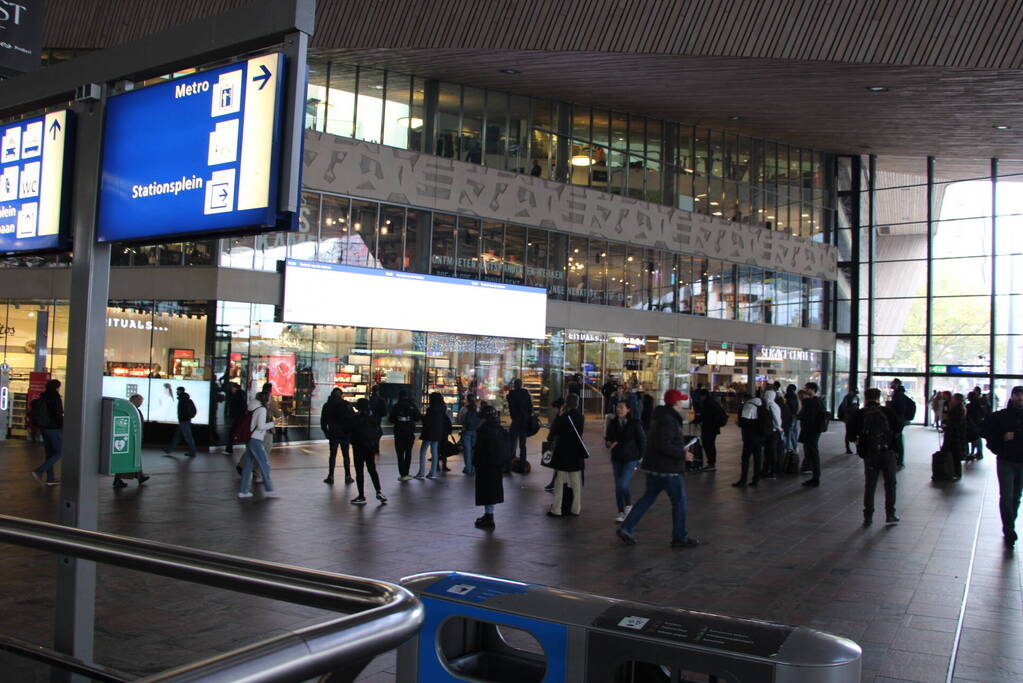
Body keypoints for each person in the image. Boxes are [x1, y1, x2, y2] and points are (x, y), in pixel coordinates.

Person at [616, 389, 700, 548]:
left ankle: (626, 528)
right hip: (668, 470)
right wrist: (682, 454)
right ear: (675, 403)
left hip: (655, 468)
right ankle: (679, 536)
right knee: (680, 502)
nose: (682, 404)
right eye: (680, 401)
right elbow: (664, 444)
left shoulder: (661, 416)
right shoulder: (669, 420)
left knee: (647, 499)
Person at [847, 387, 900, 526]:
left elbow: (851, 434)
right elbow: (898, 428)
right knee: (890, 484)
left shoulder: (860, 413)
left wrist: (860, 442)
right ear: (878, 397)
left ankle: (868, 516)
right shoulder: (887, 411)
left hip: (870, 454)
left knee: (870, 485)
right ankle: (890, 514)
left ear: (865, 397)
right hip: (887, 452)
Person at [980, 385, 1023, 549]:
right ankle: (1009, 528)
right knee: (1006, 496)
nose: (1020, 398)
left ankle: (1009, 522)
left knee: (1016, 496)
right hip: (1006, 461)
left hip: (1020, 461)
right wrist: (999, 443)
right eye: (1017, 395)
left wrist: (1016, 435)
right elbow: (984, 431)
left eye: (1022, 395)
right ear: (1012, 397)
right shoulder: (1001, 417)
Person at [546, 393, 586, 517]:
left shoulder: (562, 418)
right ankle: (576, 508)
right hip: (576, 453)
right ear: (577, 404)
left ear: (565, 405)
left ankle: (557, 509)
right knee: (575, 481)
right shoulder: (581, 418)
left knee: (559, 482)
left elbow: (551, 436)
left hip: (562, 454)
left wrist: (559, 416)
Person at [605, 399, 646, 522]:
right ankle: (621, 511)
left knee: (622, 484)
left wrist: (640, 457)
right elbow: (608, 438)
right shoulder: (612, 422)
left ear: (628, 410)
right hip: (617, 457)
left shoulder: (634, 423)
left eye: (621, 407)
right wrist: (609, 443)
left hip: (631, 458)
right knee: (619, 486)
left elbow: (642, 440)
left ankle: (628, 505)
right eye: (617, 407)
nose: (618, 409)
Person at [473, 403, 509, 529]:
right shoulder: (499, 429)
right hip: (497, 465)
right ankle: (489, 514)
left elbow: (480, 449)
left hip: (485, 466)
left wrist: (475, 463)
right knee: (492, 492)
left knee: (486, 492)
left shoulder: (484, 430)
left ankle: (489, 518)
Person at [237, 392, 278, 499]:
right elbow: (261, 426)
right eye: (270, 398)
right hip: (256, 439)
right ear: (266, 399)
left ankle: (243, 490)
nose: (271, 400)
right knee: (264, 463)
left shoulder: (253, 407)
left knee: (248, 465)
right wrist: (273, 423)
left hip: (250, 439)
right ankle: (269, 489)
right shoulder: (262, 409)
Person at [349, 398, 386, 505]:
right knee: (372, 470)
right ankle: (378, 491)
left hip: (358, 447)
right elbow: (379, 432)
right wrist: (374, 443)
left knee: (359, 471)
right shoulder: (373, 417)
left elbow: (348, 430)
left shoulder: (355, 418)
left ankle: (361, 495)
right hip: (369, 447)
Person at [30, 379, 64, 486]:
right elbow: (58, 414)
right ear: (56, 387)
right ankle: (39, 471)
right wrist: (62, 425)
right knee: (60, 452)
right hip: (53, 428)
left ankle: (50, 478)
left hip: (43, 428)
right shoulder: (56, 397)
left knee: (50, 453)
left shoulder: (44, 396)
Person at [114, 394, 151, 488]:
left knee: (133, 458)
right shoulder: (131, 411)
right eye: (140, 401)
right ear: (134, 400)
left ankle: (139, 476)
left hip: (132, 439)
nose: (141, 403)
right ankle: (118, 479)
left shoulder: (132, 410)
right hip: (130, 439)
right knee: (128, 459)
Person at [320, 388, 354, 485]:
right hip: (345, 433)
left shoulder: (327, 405)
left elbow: (323, 421)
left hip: (333, 433)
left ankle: (331, 476)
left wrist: (326, 432)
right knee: (346, 455)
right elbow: (352, 418)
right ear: (341, 395)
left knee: (332, 455)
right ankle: (348, 476)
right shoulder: (346, 404)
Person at [734, 394, 766, 487]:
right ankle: (756, 479)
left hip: (749, 437)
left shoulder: (747, 406)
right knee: (758, 458)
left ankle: (743, 480)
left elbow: (743, 422)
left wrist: (738, 422)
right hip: (759, 436)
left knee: (745, 458)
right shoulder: (760, 405)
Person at [798, 382, 827, 487]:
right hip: (815, 431)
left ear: (812, 389)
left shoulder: (813, 402)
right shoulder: (819, 401)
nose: (806, 390)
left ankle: (816, 477)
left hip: (811, 431)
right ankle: (814, 475)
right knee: (812, 452)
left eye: (807, 388)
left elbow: (807, 417)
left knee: (813, 453)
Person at [417, 392, 452, 479]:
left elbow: (427, 421)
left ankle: (421, 473)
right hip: (438, 432)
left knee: (423, 451)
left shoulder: (431, 409)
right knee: (435, 452)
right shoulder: (443, 408)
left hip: (429, 433)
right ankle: (433, 473)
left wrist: (422, 417)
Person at [389, 389, 421, 481]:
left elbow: (391, 419)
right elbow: (418, 417)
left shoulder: (396, 406)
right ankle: (406, 473)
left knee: (400, 454)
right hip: (409, 432)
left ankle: (402, 473)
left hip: (398, 432)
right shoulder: (412, 406)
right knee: (408, 452)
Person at [887, 379, 915, 469]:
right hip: (899, 421)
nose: (891, 384)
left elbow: (898, 411)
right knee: (896, 440)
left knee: (897, 441)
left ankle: (899, 461)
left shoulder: (898, 396)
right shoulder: (899, 395)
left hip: (897, 422)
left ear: (896, 385)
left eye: (893, 383)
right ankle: (897, 461)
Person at [695, 390, 726, 471]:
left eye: (700, 396)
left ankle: (711, 464)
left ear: (703, 396)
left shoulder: (707, 403)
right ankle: (712, 463)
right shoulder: (713, 402)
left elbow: (706, 416)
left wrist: (698, 420)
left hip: (709, 428)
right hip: (713, 428)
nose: (700, 398)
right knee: (711, 445)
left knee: (708, 445)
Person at [164, 386, 198, 457]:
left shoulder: (183, 400)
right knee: (178, 436)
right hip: (184, 421)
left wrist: (186, 417)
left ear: (180, 391)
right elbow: (193, 411)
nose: (176, 392)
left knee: (187, 437)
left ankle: (192, 452)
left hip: (184, 421)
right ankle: (169, 450)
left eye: (177, 391)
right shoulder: (185, 399)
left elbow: (184, 411)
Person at [506, 378, 533, 468]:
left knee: (512, 442)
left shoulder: (511, 394)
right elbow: (530, 407)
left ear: (514, 385)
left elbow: (510, 407)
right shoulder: (526, 393)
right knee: (523, 444)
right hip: (524, 421)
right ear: (521, 385)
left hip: (515, 421)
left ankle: (509, 462)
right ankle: (522, 462)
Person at [942, 393, 968, 480]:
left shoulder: (957, 410)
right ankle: (955, 472)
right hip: (957, 435)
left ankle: (955, 472)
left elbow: (954, 423)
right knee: (955, 455)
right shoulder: (960, 409)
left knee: (954, 455)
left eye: (953, 399)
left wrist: (947, 425)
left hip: (953, 435)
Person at [760, 388, 783, 479]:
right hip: (772, 431)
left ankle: (771, 471)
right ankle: (767, 470)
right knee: (768, 451)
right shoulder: (773, 405)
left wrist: (778, 427)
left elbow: (776, 419)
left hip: (772, 431)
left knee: (771, 451)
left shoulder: (770, 405)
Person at [457, 396, 482, 474]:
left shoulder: (464, 409)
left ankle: (468, 468)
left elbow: (460, 420)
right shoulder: (477, 408)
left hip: (466, 430)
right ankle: (473, 467)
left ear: (467, 400)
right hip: (475, 431)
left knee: (467, 450)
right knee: (473, 449)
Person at [224, 382, 247, 455]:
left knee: (232, 433)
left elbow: (240, 407)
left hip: (238, 417)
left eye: (232, 388)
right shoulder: (240, 395)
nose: (231, 390)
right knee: (235, 433)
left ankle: (229, 449)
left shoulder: (238, 396)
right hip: (239, 417)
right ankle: (229, 449)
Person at [966, 390, 987, 461]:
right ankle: (979, 453)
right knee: (977, 439)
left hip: (971, 425)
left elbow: (967, 416)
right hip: (978, 424)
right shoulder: (978, 405)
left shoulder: (969, 406)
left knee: (973, 439)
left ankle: (972, 453)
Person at [838, 389, 860, 454]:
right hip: (849, 417)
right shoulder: (848, 398)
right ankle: (849, 449)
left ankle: (852, 449)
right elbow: (845, 408)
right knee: (850, 432)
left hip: (851, 417)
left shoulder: (853, 397)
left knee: (853, 432)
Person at [261, 382, 281, 452]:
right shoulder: (271, 401)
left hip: (255, 428)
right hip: (267, 427)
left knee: (255, 447)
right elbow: (277, 415)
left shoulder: (257, 398)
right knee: (267, 445)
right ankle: (262, 462)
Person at [784, 384, 801, 457]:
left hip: (789, 417)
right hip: (795, 417)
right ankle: (795, 447)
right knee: (794, 432)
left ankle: (788, 447)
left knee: (789, 432)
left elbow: (788, 408)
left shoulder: (788, 396)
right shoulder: (795, 397)